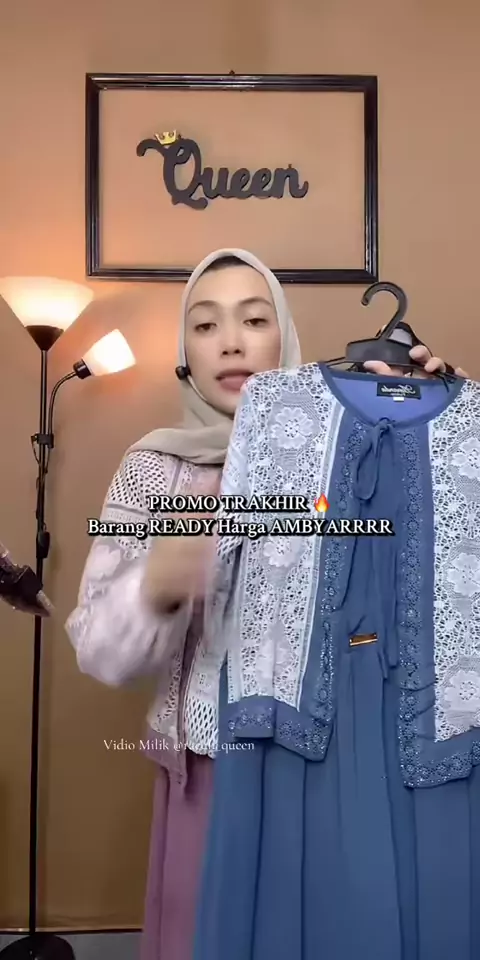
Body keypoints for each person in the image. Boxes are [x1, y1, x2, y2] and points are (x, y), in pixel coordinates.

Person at [65, 248, 465, 960]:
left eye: (254, 319)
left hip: (327, 771)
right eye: (204, 325)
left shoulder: (349, 449)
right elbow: (98, 647)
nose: (231, 342)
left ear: (286, 334)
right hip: (212, 771)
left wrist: (425, 426)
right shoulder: (156, 470)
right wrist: (157, 585)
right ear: (184, 353)